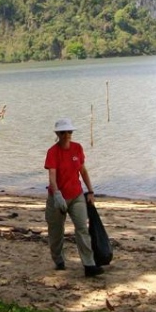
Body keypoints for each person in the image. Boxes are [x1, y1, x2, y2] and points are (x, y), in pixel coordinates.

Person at [44, 118, 103, 278]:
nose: (67, 135)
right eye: (63, 132)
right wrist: (56, 195)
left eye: (69, 132)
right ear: (58, 134)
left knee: (82, 229)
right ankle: (59, 260)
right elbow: (52, 176)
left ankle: (89, 265)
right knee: (56, 232)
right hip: (58, 197)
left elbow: (83, 171)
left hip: (76, 195)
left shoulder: (77, 148)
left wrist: (90, 191)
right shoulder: (52, 152)